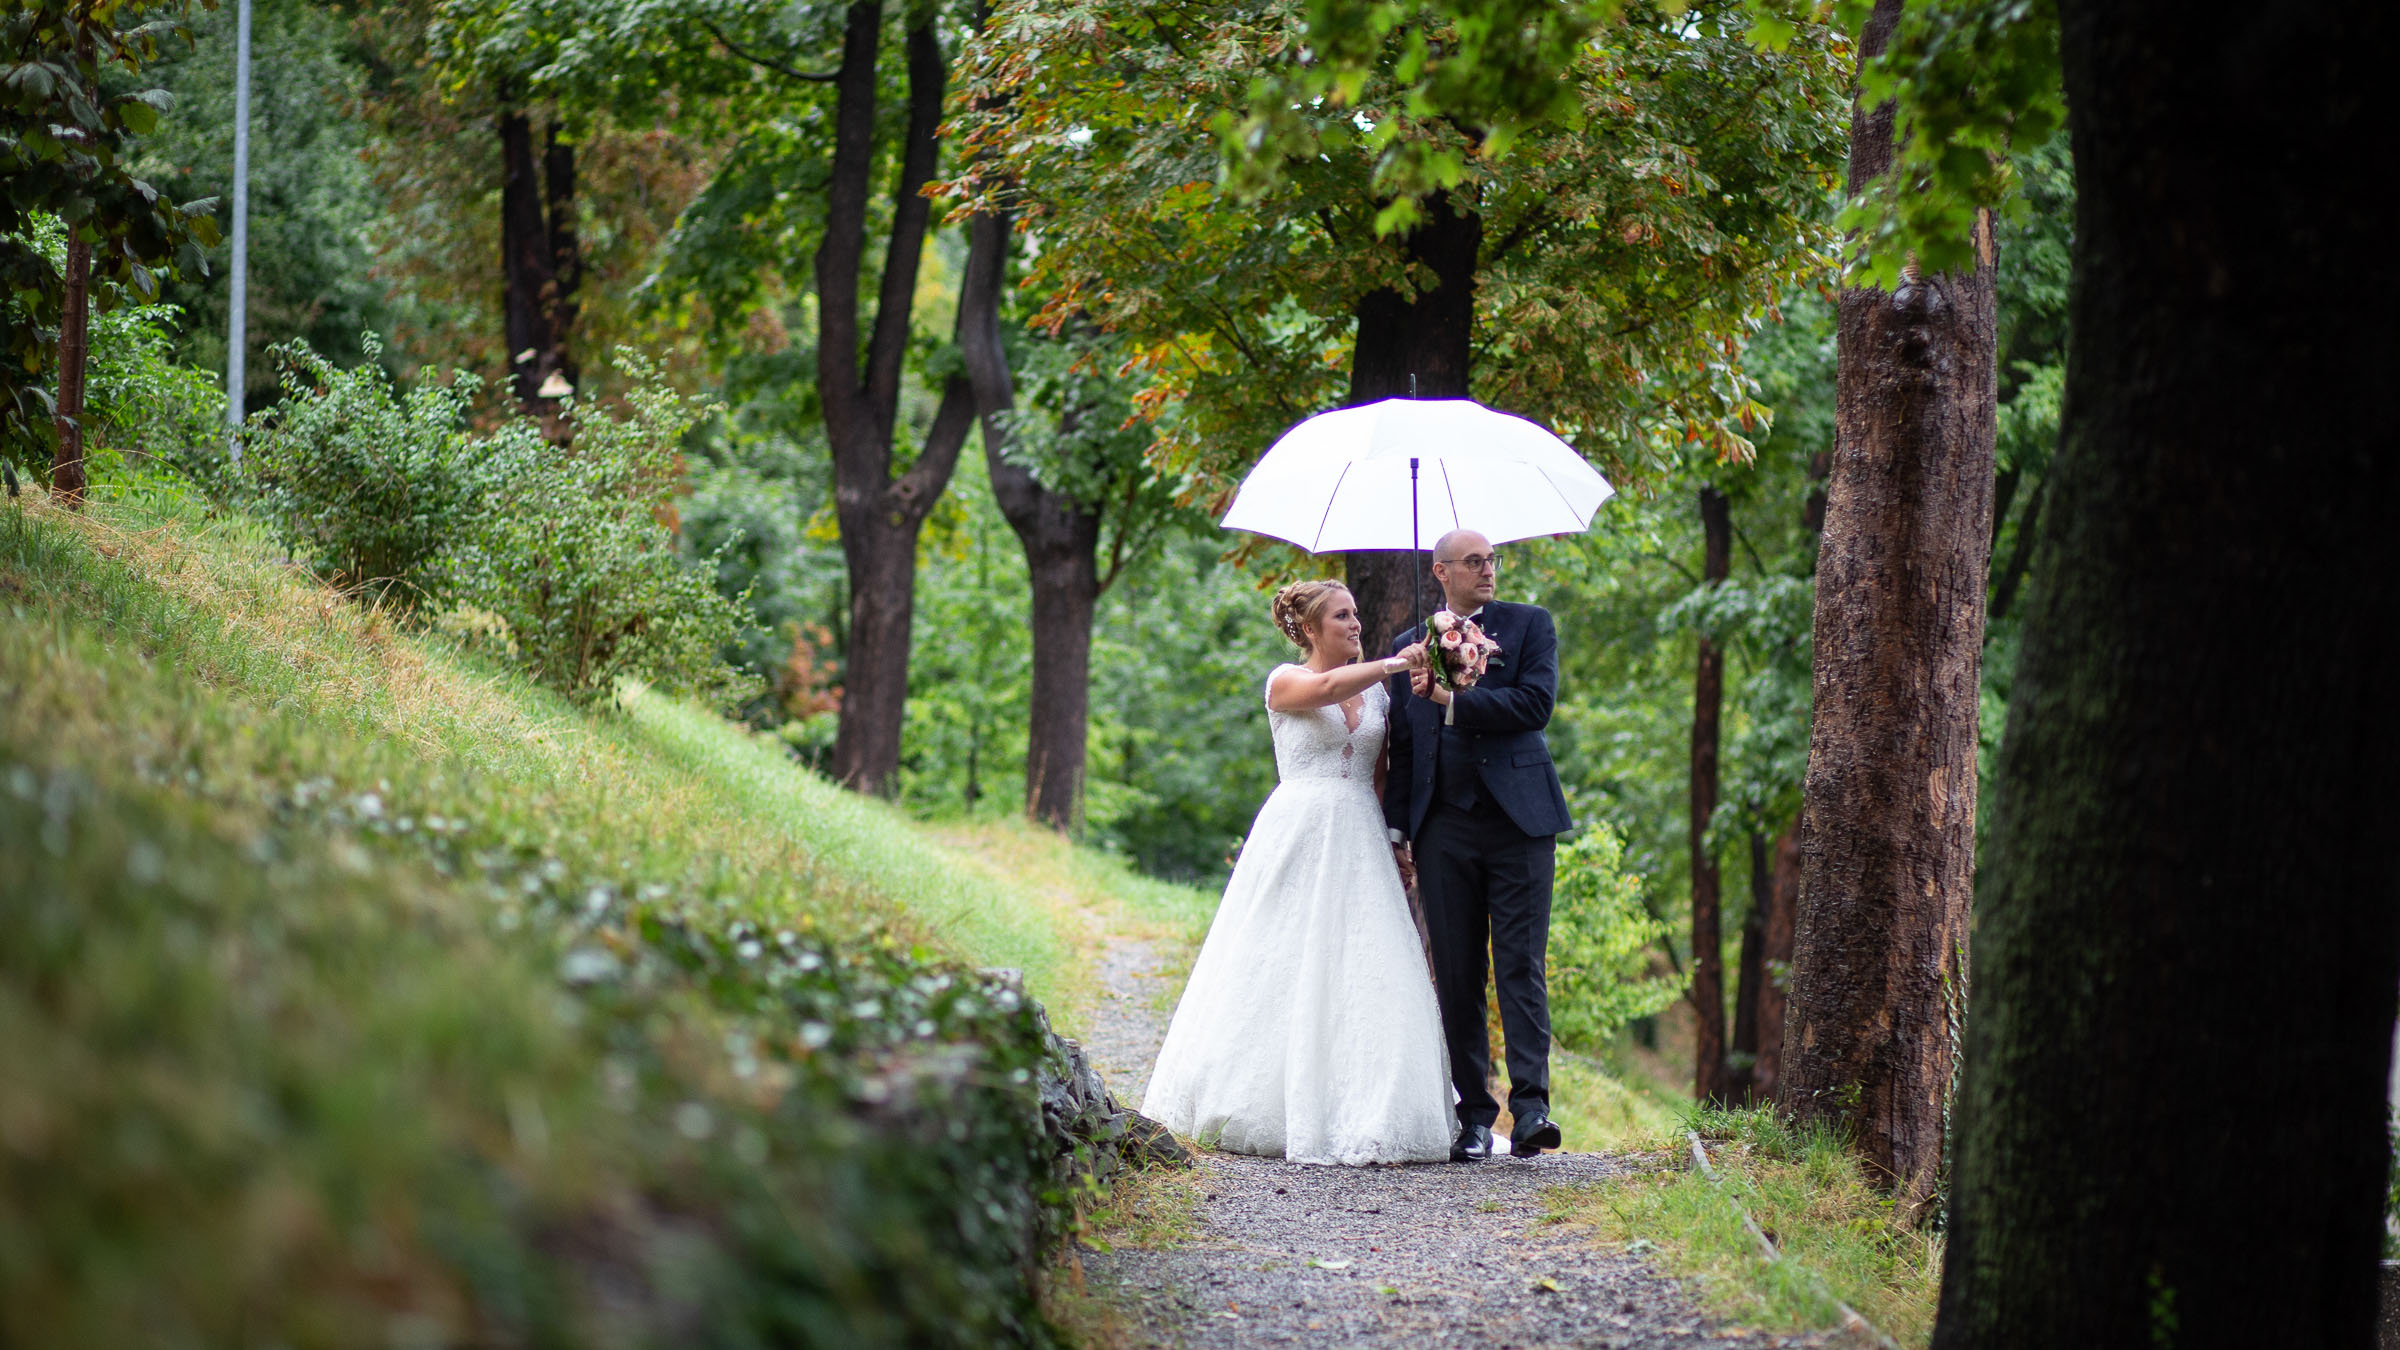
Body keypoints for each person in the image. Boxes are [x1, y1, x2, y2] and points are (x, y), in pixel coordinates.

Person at [1142, 580, 1455, 1165]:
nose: (1355, 624)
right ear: (1310, 629)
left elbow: (1382, 773)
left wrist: (1394, 839)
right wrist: (1394, 661)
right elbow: (1328, 687)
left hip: (1360, 829)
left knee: (1367, 963)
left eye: (1357, 614)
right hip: (1298, 829)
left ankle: (1373, 1105)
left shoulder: (1381, 700)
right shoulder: (1285, 681)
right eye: (1342, 616)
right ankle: (1261, 1097)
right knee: (1278, 954)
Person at [1385, 529, 1574, 1161]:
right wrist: (1398, 830)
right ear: (1441, 572)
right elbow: (1405, 747)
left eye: (1491, 560)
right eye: (1474, 562)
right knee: (1458, 974)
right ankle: (1473, 1117)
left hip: (1520, 821)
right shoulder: (1405, 649)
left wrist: (1451, 699)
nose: (1487, 571)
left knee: (1520, 965)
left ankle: (1532, 1110)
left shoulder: (1528, 626)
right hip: (1444, 826)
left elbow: (1533, 705)